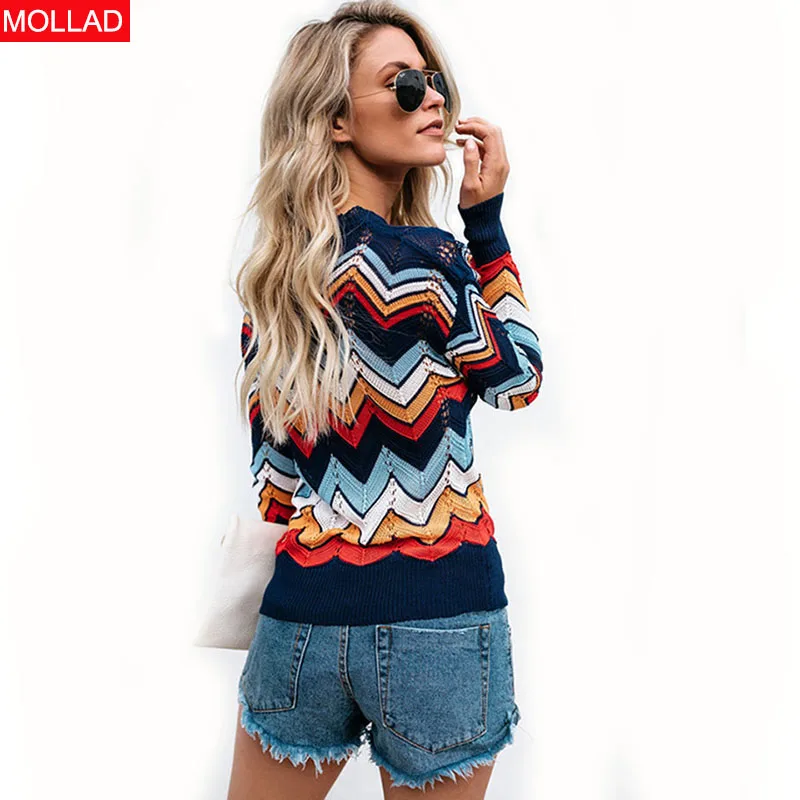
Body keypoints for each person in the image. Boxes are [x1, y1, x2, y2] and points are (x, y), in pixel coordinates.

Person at [226, 2, 543, 797]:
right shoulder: (428, 263)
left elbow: (275, 485)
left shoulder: (275, 287)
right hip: (441, 618)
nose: (431, 97)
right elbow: (519, 381)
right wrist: (485, 226)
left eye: (432, 81)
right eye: (403, 85)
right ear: (335, 119)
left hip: (299, 625)